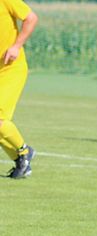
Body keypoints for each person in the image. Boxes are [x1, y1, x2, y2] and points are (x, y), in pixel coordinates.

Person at [0, 0, 37, 179]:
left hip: (11, 69)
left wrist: (16, 46)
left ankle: (24, 152)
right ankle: (21, 161)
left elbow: (31, 18)